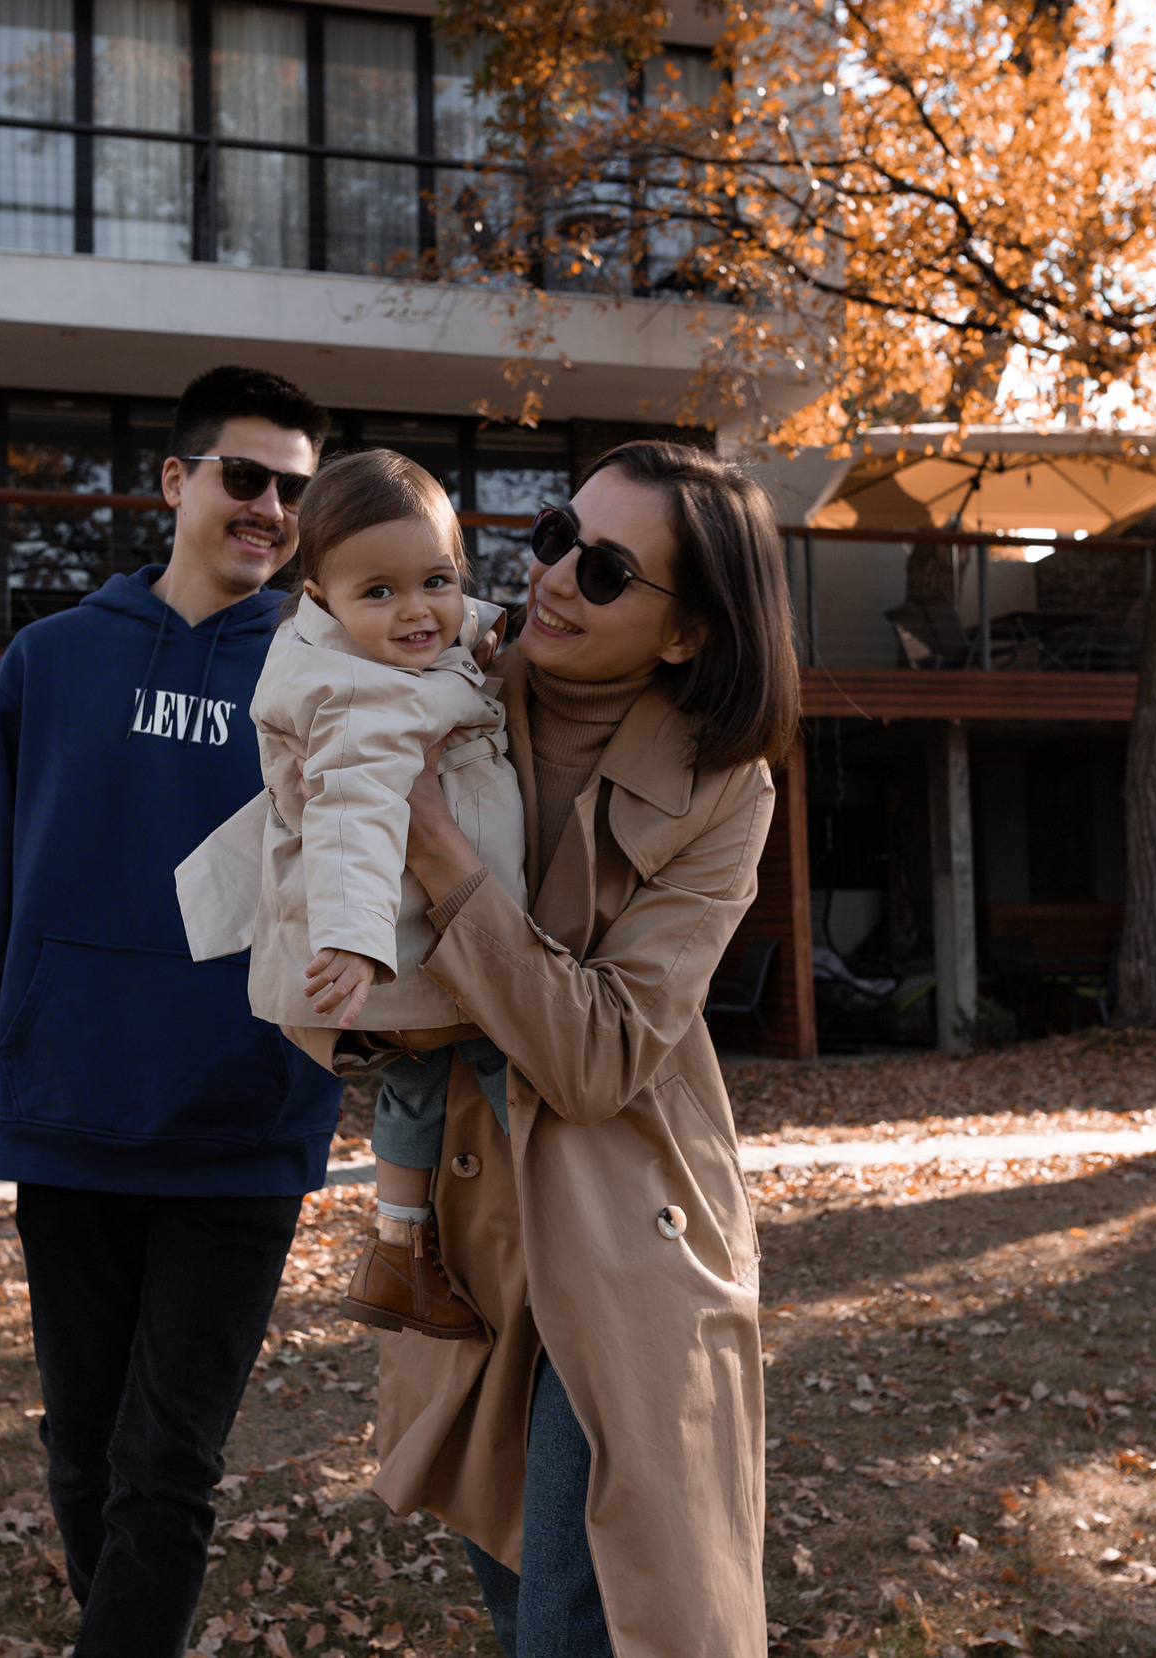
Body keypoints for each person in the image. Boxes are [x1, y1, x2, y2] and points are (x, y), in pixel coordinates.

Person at [0, 365, 344, 1657]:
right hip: (72, 1115)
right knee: (85, 1455)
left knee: (168, 1466)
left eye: (294, 489)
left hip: (244, 1127)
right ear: (176, 480)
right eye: (245, 476)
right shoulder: (50, 662)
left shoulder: (329, 674)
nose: (269, 507)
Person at [367, 441, 800, 1655]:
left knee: (580, 1614)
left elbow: (605, 1054)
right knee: (518, 1593)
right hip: (464, 1223)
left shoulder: (726, 789)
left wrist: (438, 852)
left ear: (684, 634)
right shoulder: (438, 668)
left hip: (630, 1222)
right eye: (556, 531)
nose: (551, 573)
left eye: (605, 569)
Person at [174, 447, 527, 1342]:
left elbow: (447, 629)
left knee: (417, 1080)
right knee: (517, 1055)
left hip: (406, 959)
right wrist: (354, 936)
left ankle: (397, 1249)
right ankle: (547, 1207)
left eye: (437, 581)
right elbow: (353, 817)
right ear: (323, 599)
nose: (416, 612)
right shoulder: (361, 696)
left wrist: (478, 634)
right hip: (408, 948)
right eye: (379, 592)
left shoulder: (383, 650)